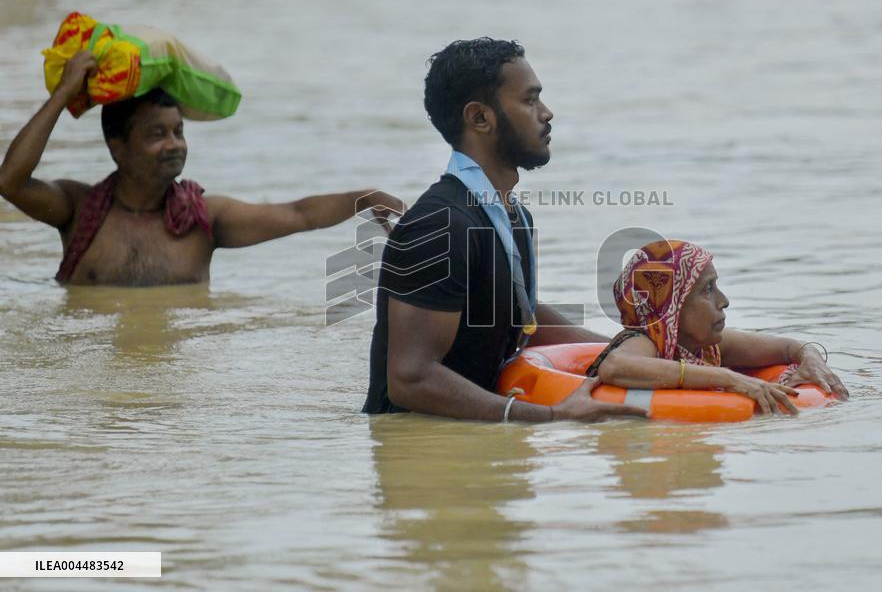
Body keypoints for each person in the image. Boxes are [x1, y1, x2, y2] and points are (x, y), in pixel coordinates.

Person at [363, 37, 646, 422]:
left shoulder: (513, 215)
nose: (547, 113)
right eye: (529, 101)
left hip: (478, 442)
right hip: (418, 456)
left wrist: (626, 348)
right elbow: (410, 381)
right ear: (480, 118)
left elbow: (517, 316)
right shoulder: (440, 226)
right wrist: (550, 417)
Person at [0, 51, 404, 286]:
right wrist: (64, 94)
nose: (174, 144)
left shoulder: (201, 219)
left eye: (178, 131)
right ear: (117, 147)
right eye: (157, 134)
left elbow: (298, 214)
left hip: (179, 405)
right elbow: (10, 181)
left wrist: (363, 199)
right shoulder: (78, 208)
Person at [587, 239, 850, 415]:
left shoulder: (706, 347)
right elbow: (615, 366)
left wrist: (811, 357)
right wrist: (730, 378)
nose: (724, 301)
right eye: (707, 290)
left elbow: (789, 348)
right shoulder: (642, 340)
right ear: (671, 305)